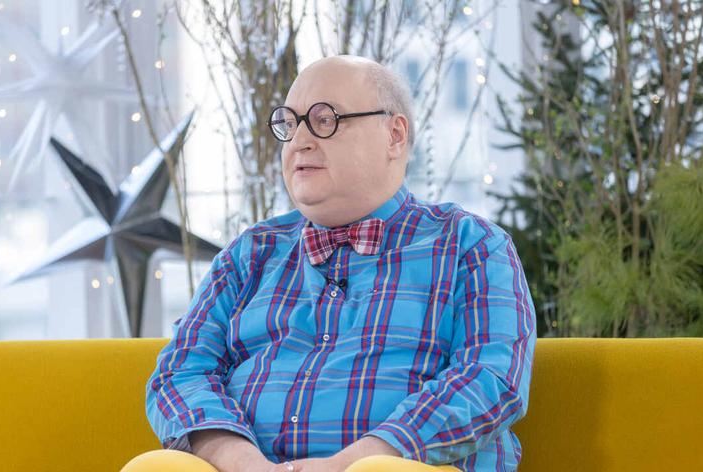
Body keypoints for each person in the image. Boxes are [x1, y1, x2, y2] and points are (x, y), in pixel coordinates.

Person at [134, 55, 536, 472]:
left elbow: (490, 380)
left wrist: (352, 463)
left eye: (324, 120)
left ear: (394, 135)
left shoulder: (470, 245)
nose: (299, 141)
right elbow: (179, 374)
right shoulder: (249, 254)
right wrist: (244, 463)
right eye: (290, 124)